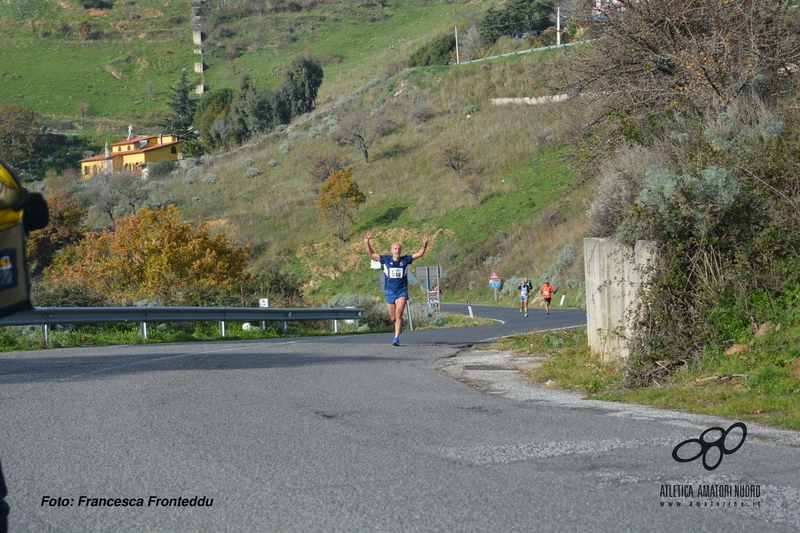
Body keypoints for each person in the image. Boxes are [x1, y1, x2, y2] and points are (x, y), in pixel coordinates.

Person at [364, 231, 428, 346]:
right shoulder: (386, 259)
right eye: (395, 249)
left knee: (399, 314)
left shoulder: (405, 260)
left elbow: (419, 254)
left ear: (401, 250)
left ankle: (396, 338)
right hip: (389, 292)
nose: (397, 250)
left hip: (401, 291)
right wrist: (367, 242)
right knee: (393, 318)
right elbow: (372, 254)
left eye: (399, 249)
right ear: (391, 250)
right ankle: (399, 326)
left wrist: (424, 245)